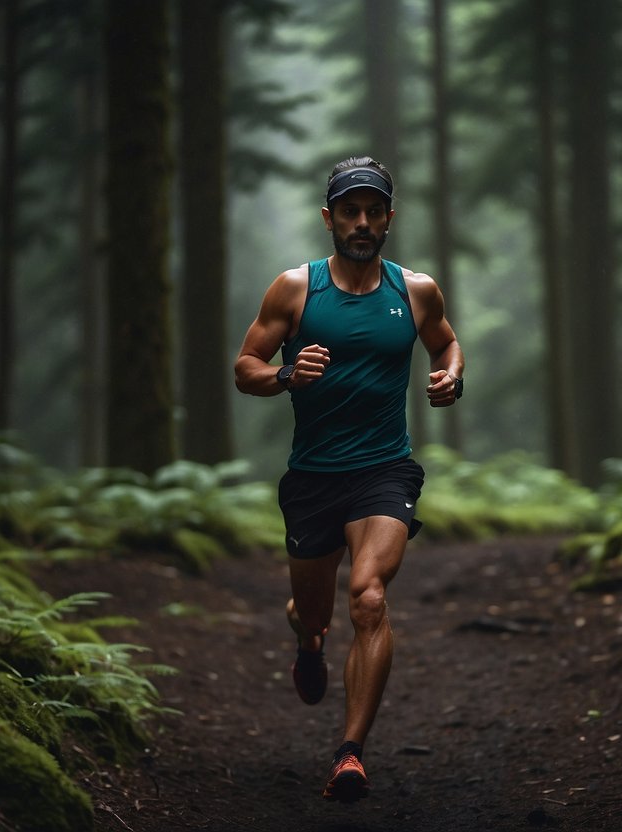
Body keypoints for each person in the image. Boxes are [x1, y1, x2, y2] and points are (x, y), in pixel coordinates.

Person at [234, 156, 464, 802]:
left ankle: (349, 752)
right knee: (314, 613)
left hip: (384, 469)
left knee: (367, 596)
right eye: (348, 211)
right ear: (328, 218)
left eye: (372, 212)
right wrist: (285, 375)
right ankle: (307, 637)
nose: (361, 223)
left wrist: (451, 374)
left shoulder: (415, 290)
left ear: (389, 218)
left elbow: (446, 343)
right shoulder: (294, 289)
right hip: (312, 476)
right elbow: (244, 366)